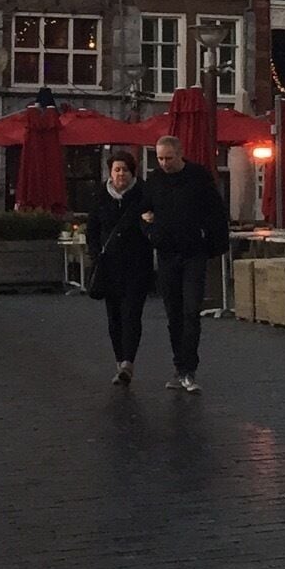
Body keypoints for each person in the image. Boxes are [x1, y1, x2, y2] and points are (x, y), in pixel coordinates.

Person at [139, 133, 229, 394]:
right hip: (167, 254)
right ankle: (179, 367)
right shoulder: (154, 180)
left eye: (168, 158)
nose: (164, 163)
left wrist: (212, 244)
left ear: (180, 155)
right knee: (173, 314)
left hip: (193, 253)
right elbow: (142, 213)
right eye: (160, 158)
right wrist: (151, 233)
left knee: (191, 311)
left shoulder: (198, 177)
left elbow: (216, 212)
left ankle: (189, 368)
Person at [86, 152, 154, 386]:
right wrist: (95, 255)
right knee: (114, 316)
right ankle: (119, 361)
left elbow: (150, 226)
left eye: (125, 170)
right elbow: (92, 229)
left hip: (136, 265)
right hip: (109, 266)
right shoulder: (100, 196)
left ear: (132, 172)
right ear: (110, 172)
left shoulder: (143, 194)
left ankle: (128, 363)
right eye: (117, 170)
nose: (121, 174)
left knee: (132, 314)